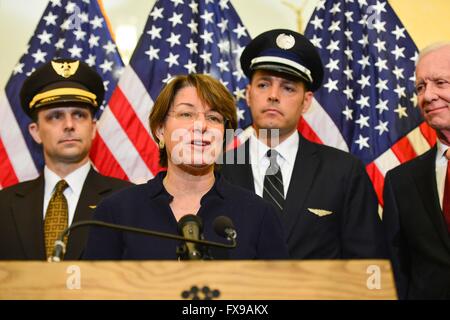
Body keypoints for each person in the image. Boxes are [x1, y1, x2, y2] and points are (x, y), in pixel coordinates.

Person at [83, 74, 289, 260]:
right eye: (186, 114)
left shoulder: (259, 214)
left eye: (213, 118)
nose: (201, 126)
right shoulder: (116, 212)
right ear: (160, 130)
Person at [221, 29, 385, 259]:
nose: (273, 95)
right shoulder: (217, 169)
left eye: (288, 88)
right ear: (248, 94)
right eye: (263, 85)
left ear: (306, 101)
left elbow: (369, 262)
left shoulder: (343, 171)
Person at [0, 59, 131, 261]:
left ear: (93, 127)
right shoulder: (4, 205)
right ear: (35, 132)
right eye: (55, 116)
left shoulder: (128, 201)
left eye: (79, 115)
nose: (69, 125)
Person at [383, 43, 450, 299]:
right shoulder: (400, 182)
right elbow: (396, 271)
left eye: (440, 82)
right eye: (420, 87)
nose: (428, 96)